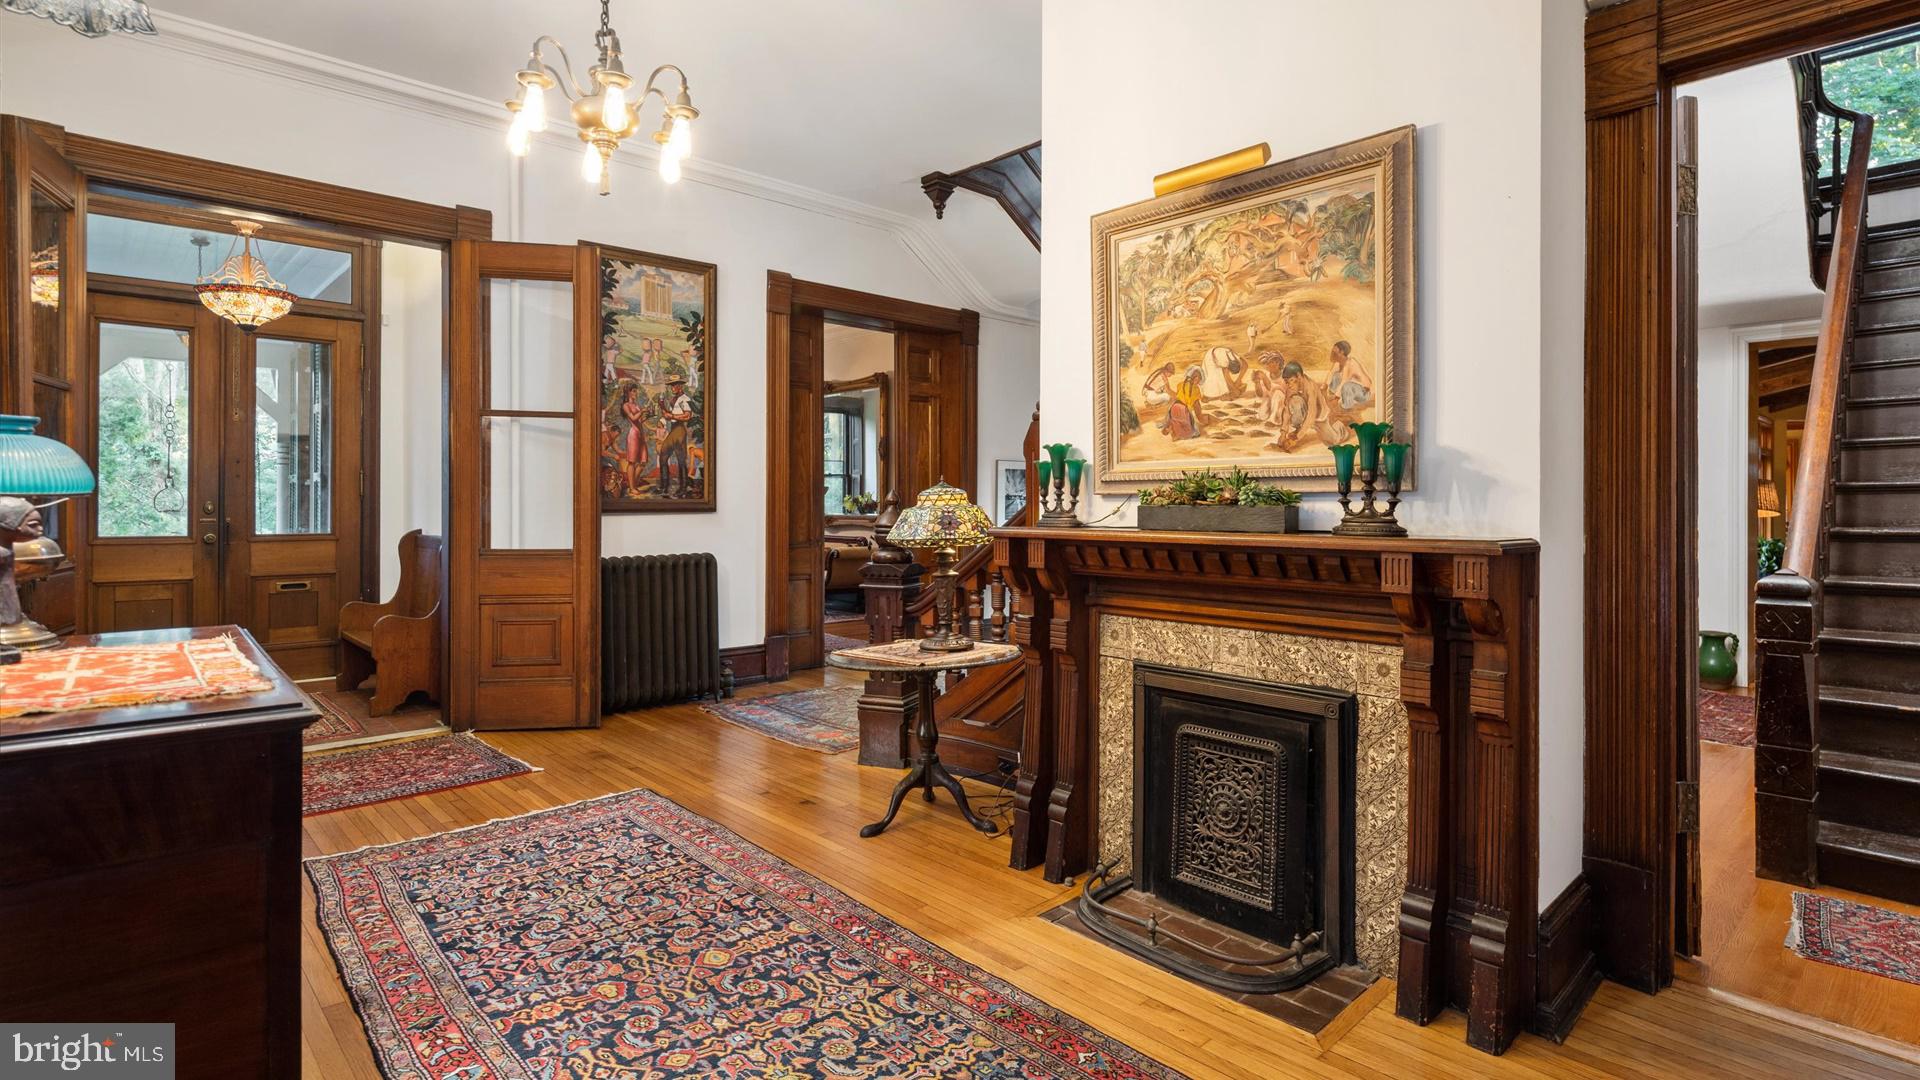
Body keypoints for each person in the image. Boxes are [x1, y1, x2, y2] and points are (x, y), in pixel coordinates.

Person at [656, 375, 694, 496]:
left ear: (680, 386)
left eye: (674, 385)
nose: (672, 387)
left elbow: (688, 416)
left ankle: (683, 488)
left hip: (680, 429)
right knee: (663, 455)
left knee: (681, 459)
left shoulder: (685, 399)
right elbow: (669, 414)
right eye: (671, 385)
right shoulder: (674, 399)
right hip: (673, 429)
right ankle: (664, 486)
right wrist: (662, 406)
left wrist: (672, 416)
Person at [1324, 340, 1374, 419]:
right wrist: (1324, 387)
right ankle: (1334, 400)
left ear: (1342, 352)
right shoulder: (1338, 363)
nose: (1332, 353)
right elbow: (1330, 375)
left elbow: (1344, 381)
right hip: (1352, 389)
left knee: (1347, 386)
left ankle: (1347, 409)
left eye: (1334, 352)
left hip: (1363, 392)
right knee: (1336, 376)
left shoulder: (1350, 363)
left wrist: (1336, 399)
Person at [618, 383, 648, 492]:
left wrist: (647, 416)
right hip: (634, 435)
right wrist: (642, 411)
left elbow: (639, 421)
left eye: (636, 391)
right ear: (628, 392)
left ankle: (633, 484)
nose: (636, 393)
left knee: (643, 462)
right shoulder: (626, 405)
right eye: (634, 391)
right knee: (632, 462)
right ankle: (632, 487)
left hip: (641, 434)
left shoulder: (636, 405)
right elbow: (633, 418)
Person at [1163, 365, 1206, 440]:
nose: (1199, 383)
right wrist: (1201, 418)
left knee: (1177, 421)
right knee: (1193, 432)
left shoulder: (1180, 384)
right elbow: (1197, 410)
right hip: (1183, 410)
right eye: (1199, 380)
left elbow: (1176, 397)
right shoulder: (1196, 389)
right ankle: (1174, 429)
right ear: (1196, 378)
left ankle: (1172, 426)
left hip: (1174, 408)